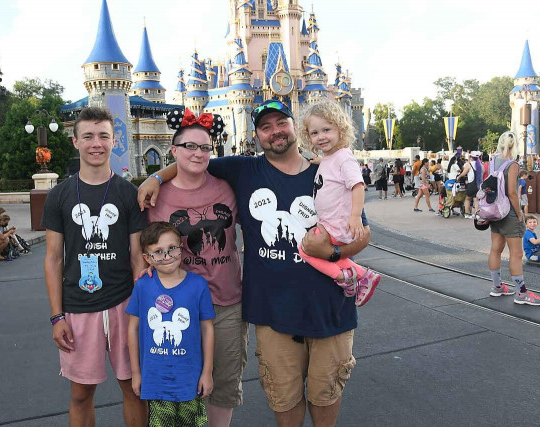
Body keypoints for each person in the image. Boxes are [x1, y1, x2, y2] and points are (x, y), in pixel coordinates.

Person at [138, 100, 370, 427]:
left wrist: (331, 253)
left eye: (281, 123)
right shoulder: (243, 170)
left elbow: (362, 234)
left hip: (330, 308)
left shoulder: (327, 170)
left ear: (295, 127)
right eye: (265, 126)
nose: (275, 131)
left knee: (326, 393)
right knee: (284, 395)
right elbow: (194, 157)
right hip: (273, 312)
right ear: (258, 135)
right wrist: (157, 178)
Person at [41, 107, 149, 425]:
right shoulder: (59, 196)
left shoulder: (128, 193)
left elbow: (136, 256)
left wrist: (141, 310)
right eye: (88, 136)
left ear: (114, 141)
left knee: (133, 389)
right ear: (75, 141)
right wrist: (56, 316)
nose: (96, 143)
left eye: (103, 135)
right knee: (80, 393)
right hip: (77, 308)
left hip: (123, 304)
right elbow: (53, 259)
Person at [144, 107, 246, 427]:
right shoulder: (155, 197)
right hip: (176, 308)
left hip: (226, 305)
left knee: (224, 382)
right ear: (174, 150)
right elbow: (142, 246)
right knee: (178, 385)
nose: (198, 153)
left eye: (205, 147)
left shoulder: (228, 189)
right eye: (189, 146)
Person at [127, 222, 215, 426]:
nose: (166, 256)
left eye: (172, 249)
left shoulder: (198, 285)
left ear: (181, 248)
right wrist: (136, 373)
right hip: (156, 381)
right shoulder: (142, 286)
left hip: (190, 381)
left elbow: (207, 328)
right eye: (158, 252)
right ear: (147, 258)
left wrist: (207, 372)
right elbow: (132, 328)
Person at [297, 100, 380, 307]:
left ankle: (346, 278)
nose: (321, 136)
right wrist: (319, 161)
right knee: (319, 251)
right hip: (330, 223)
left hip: (339, 224)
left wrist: (355, 217)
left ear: (340, 129)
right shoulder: (329, 158)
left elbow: (358, 186)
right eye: (315, 133)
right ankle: (362, 274)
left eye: (326, 129)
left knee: (305, 249)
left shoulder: (344, 157)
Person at [488, 132, 540, 306]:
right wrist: (519, 213)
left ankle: (497, 287)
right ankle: (521, 293)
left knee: (495, 249)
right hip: (510, 213)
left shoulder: (493, 162)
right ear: (514, 146)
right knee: (516, 253)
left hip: (495, 211)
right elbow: (512, 192)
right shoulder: (512, 164)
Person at [457, 151, 482, 219]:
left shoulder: (469, 164)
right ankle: (476, 214)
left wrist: (458, 177)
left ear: (471, 157)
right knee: (476, 200)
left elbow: (464, 173)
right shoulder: (480, 165)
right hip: (478, 185)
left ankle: (467, 213)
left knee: (467, 199)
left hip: (471, 184)